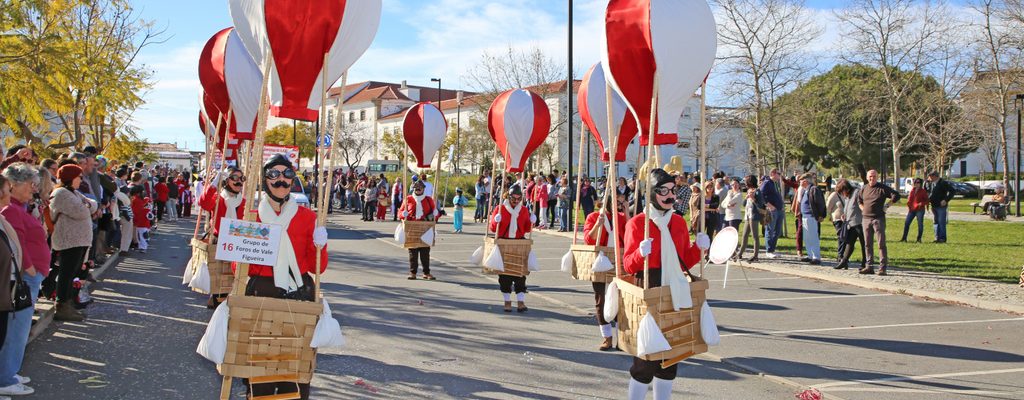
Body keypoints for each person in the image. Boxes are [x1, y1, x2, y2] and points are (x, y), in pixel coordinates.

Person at [241, 154, 328, 400]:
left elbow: (317, 267)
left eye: (287, 174)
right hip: (262, 292)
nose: (281, 180)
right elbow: (241, 266)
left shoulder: (308, 217)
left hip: (299, 293)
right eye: (274, 174)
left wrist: (320, 246)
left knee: (295, 364)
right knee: (260, 362)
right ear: (264, 179)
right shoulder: (251, 217)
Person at [622, 168, 709, 400]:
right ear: (651, 193)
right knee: (646, 356)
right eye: (664, 190)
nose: (670, 195)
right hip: (649, 286)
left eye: (673, 190)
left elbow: (684, 261)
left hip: (675, 287)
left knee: (672, 353)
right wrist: (641, 253)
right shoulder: (637, 223)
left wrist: (700, 249)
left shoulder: (679, 222)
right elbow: (628, 265)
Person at [0, 165, 44, 396]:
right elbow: (18, 244)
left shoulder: (19, 207)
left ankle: (9, 372)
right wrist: (30, 269)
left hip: (29, 275)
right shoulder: (11, 210)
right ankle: (5, 376)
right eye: (30, 184)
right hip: (25, 276)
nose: (34, 188)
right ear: (13, 185)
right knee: (16, 329)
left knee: (19, 327)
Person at [49, 164, 96, 321]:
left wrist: (88, 205)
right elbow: (81, 211)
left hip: (79, 240)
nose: (81, 180)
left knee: (72, 274)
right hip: (69, 240)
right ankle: (62, 305)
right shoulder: (61, 193)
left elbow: (92, 204)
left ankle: (68, 303)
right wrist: (87, 206)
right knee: (66, 274)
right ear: (71, 178)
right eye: (78, 177)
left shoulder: (73, 192)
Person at [582, 195, 627, 351]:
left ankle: (622, 338)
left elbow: (629, 236)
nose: (621, 205)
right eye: (618, 202)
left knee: (621, 301)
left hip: (619, 260)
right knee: (601, 300)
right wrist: (597, 225)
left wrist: (627, 214)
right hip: (600, 261)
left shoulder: (622, 218)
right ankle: (607, 337)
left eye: (623, 202)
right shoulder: (594, 216)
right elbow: (588, 239)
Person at [489, 185, 535, 312]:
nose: (516, 201)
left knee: (520, 274)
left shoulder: (524, 210)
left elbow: (526, 229)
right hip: (504, 242)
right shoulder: (500, 209)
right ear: (508, 197)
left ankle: (521, 302)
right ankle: (507, 301)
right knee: (505, 275)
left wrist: (532, 222)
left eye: (518, 199)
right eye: (513, 198)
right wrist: (495, 221)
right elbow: (493, 229)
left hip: (519, 242)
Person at [856, 169, 900, 275]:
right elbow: (859, 201)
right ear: (867, 177)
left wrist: (887, 205)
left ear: (877, 177)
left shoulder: (882, 188)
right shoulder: (864, 188)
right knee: (867, 244)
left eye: (874, 176)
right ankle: (869, 266)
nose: (872, 178)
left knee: (881, 243)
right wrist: (863, 209)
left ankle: (882, 267)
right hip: (866, 219)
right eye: (870, 176)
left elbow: (896, 195)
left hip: (878, 219)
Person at [399, 180, 438, 280]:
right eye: (416, 188)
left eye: (420, 188)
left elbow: (435, 216)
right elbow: (400, 213)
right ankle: (413, 272)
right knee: (413, 252)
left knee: (425, 252)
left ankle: (426, 273)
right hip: (412, 228)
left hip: (425, 228)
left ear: (423, 189)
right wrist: (403, 215)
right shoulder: (408, 199)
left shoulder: (429, 200)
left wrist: (435, 213)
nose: (418, 190)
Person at [835, 180, 866, 270]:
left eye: (842, 191)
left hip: (860, 222)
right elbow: (848, 207)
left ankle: (865, 263)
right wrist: (844, 214)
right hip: (851, 223)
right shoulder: (848, 196)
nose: (842, 194)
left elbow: (861, 205)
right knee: (849, 242)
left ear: (846, 189)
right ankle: (844, 261)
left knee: (864, 244)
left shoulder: (857, 193)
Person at [797, 173, 826, 265]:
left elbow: (820, 203)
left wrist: (821, 215)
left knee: (813, 237)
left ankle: (816, 257)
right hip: (805, 216)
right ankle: (810, 255)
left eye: (801, 181)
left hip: (812, 216)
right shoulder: (806, 190)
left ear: (805, 181)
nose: (800, 182)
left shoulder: (814, 189)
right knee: (807, 238)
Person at [736, 175, 765, 262]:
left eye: (746, 181)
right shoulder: (749, 191)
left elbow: (760, 205)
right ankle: (740, 254)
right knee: (744, 235)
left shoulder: (757, 192)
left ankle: (755, 256)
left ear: (750, 182)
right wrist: (746, 198)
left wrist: (753, 199)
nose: (744, 183)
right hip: (747, 215)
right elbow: (744, 204)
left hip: (754, 216)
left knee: (755, 236)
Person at [760, 169, 785, 258]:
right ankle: (769, 250)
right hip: (772, 211)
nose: (780, 175)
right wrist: (769, 205)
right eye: (778, 174)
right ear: (773, 174)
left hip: (779, 210)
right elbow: (761, 194)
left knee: (777, 231)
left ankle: (772, 250)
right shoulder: (767, 182)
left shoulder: (776, 183)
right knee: (770, 230)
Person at [925, 171, 954, 243]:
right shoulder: (931, 183)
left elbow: (952, 191)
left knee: (941, 222)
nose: (929, 178)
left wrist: (946, 200)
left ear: (935, 176)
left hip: (941, 206)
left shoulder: (943, 183)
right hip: (934, 205)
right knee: (935, 222)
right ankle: (936, 237)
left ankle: (942, 238)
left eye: (930, 176)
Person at [901, 178, 928, 243]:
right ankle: (904, 238)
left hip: (920, 210)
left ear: (921, 183)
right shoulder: (912, 190)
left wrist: (921, 204)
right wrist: (909, 205)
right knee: (907, 223)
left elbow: (927, 200)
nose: (916, 184)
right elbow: (909, 200)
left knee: (920, 224)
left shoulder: (923, 191)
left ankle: (919, 239)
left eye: (918, 182)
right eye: (915, 182)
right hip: (912, 210)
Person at [826, 180, 847, 259]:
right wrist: (830, 216)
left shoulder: (846, 195)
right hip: (837, 219)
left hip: (846, 219)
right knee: (841, 236)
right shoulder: (834, 195)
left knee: (845, 237)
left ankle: (843, 254)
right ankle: (840, 254)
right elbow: (828, 207)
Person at [129, 186, 152, 253]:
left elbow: (135, 211)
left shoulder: (136, 199)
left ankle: (143, 247)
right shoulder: (139, 200)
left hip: (139, 220)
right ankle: (143, 246)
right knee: (142, 234)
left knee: (141, 235)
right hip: (143, 220)